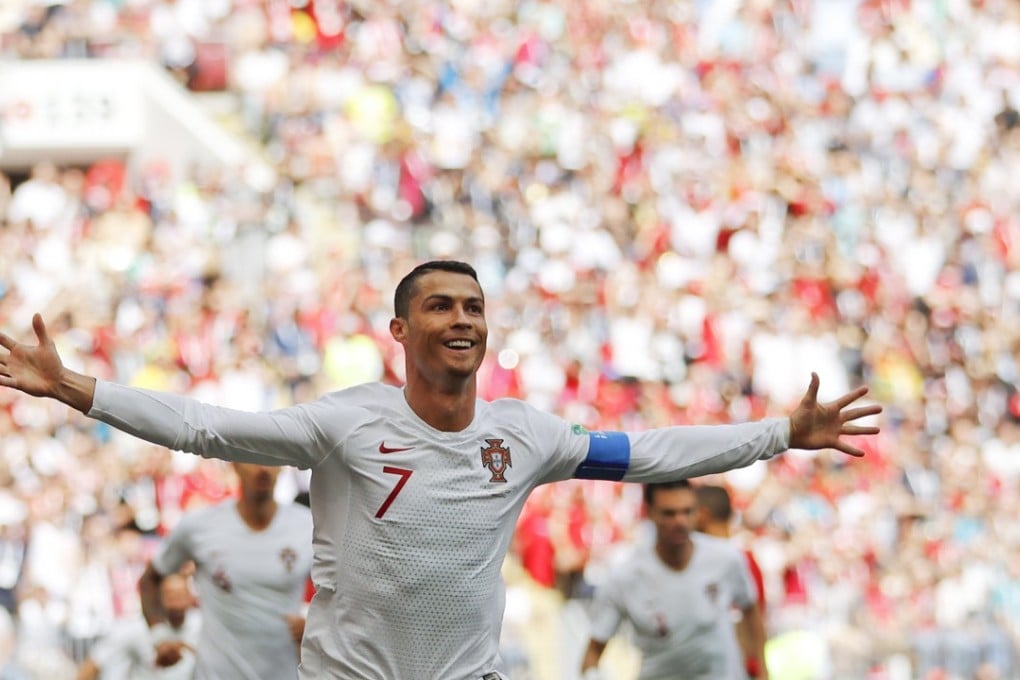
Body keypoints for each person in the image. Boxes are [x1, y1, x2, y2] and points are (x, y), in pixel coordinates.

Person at [0, 260, 881, 680]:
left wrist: (779, 433)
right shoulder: (347, 422)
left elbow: (651, 451)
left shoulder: (524, 435)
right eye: (439, 305)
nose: (462, 319)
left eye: (473, 306)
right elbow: (204, 427)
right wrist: (76, 388)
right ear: (399, 331)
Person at [138, 463, 313, 680]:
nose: (263, 468)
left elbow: (341, 595)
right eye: (253, 458)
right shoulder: (200, 525)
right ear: (235, 464)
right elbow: (150, 580)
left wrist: (316, 628)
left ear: (282, 466)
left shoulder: (307, 525)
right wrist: (160, 637)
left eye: (272, 458)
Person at [581, 480, 763, 680]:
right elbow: (593, 650)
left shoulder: (726, 559)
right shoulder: (625, 576)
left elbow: (751, 611)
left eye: (687, 511)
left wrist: (762, 670)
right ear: (649, 512)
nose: (680, 522)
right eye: (669, 513)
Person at [695, 483, 769, 679]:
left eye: (688, 512)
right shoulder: (746, 557)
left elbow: (747, 618)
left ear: (702, 514)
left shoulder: (733, 560)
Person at [77, 573, 200, 680]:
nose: (176, 602)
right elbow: (95, 662)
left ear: (190, 597)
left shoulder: (200, 627)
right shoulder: (137, 627)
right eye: (170, 595)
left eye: (180, 595)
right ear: (159, 598)